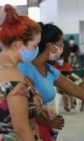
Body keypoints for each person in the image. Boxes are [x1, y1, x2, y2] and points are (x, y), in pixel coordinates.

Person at [18, 23, 84, 141]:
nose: (61, 49)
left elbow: (74, 89)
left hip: (43, 128)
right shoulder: (25, 69)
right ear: (50, 46)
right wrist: (47, 121)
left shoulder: (49, 70)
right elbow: (22, 107)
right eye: (59, 45)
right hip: (26, 129)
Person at [0, 4, 43, 140]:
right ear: (20, 45)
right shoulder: (12, 75)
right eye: (34, 46)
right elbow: (21, 129)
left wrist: (32, 109)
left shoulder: (6, 66)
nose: (35, 51)